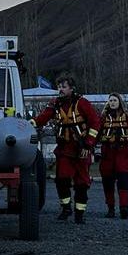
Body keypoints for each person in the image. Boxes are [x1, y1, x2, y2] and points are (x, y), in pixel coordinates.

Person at [32, 75, 101, 223]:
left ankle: (79, 213)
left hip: (82, 148)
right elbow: (44, 117)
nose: (60, 90)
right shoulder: (55, 103)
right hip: (64, 149)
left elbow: (95, 122)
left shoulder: (82, 103)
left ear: (72, 88)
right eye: (59, 87)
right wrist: (31, 123)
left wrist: (89, 143)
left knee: (82, 183)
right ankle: (66, 208)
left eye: (64, 87)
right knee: (61, 179)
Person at [95, 93, 128, 219]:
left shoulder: (127, 118)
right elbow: (96, 134)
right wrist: (89, 146)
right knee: (108, 183)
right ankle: (110, 209)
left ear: (119, 102)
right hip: (107, 153)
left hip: (122, 153)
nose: (112, 102)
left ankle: (124, 208)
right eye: (110, 100)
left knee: (123, 182)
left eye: (115, 100)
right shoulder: (103, 118)